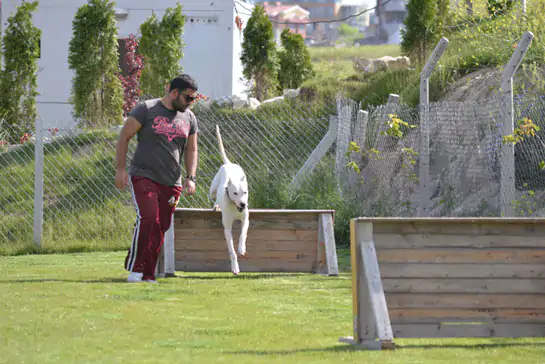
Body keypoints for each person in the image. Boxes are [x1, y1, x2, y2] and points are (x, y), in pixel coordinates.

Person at [114, 74, 199, 283]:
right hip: (144, 175)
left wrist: (191, 176)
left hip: (172, 182)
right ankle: (137, 268)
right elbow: (124, 136)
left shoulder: (189, 118)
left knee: (161, 226)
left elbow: (192, 148)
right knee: (149, 218)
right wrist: (120, 169)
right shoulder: (146, 109)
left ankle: (149, 274)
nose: (191, 103)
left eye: (194, 99)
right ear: (173, 92)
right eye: (188, 98)